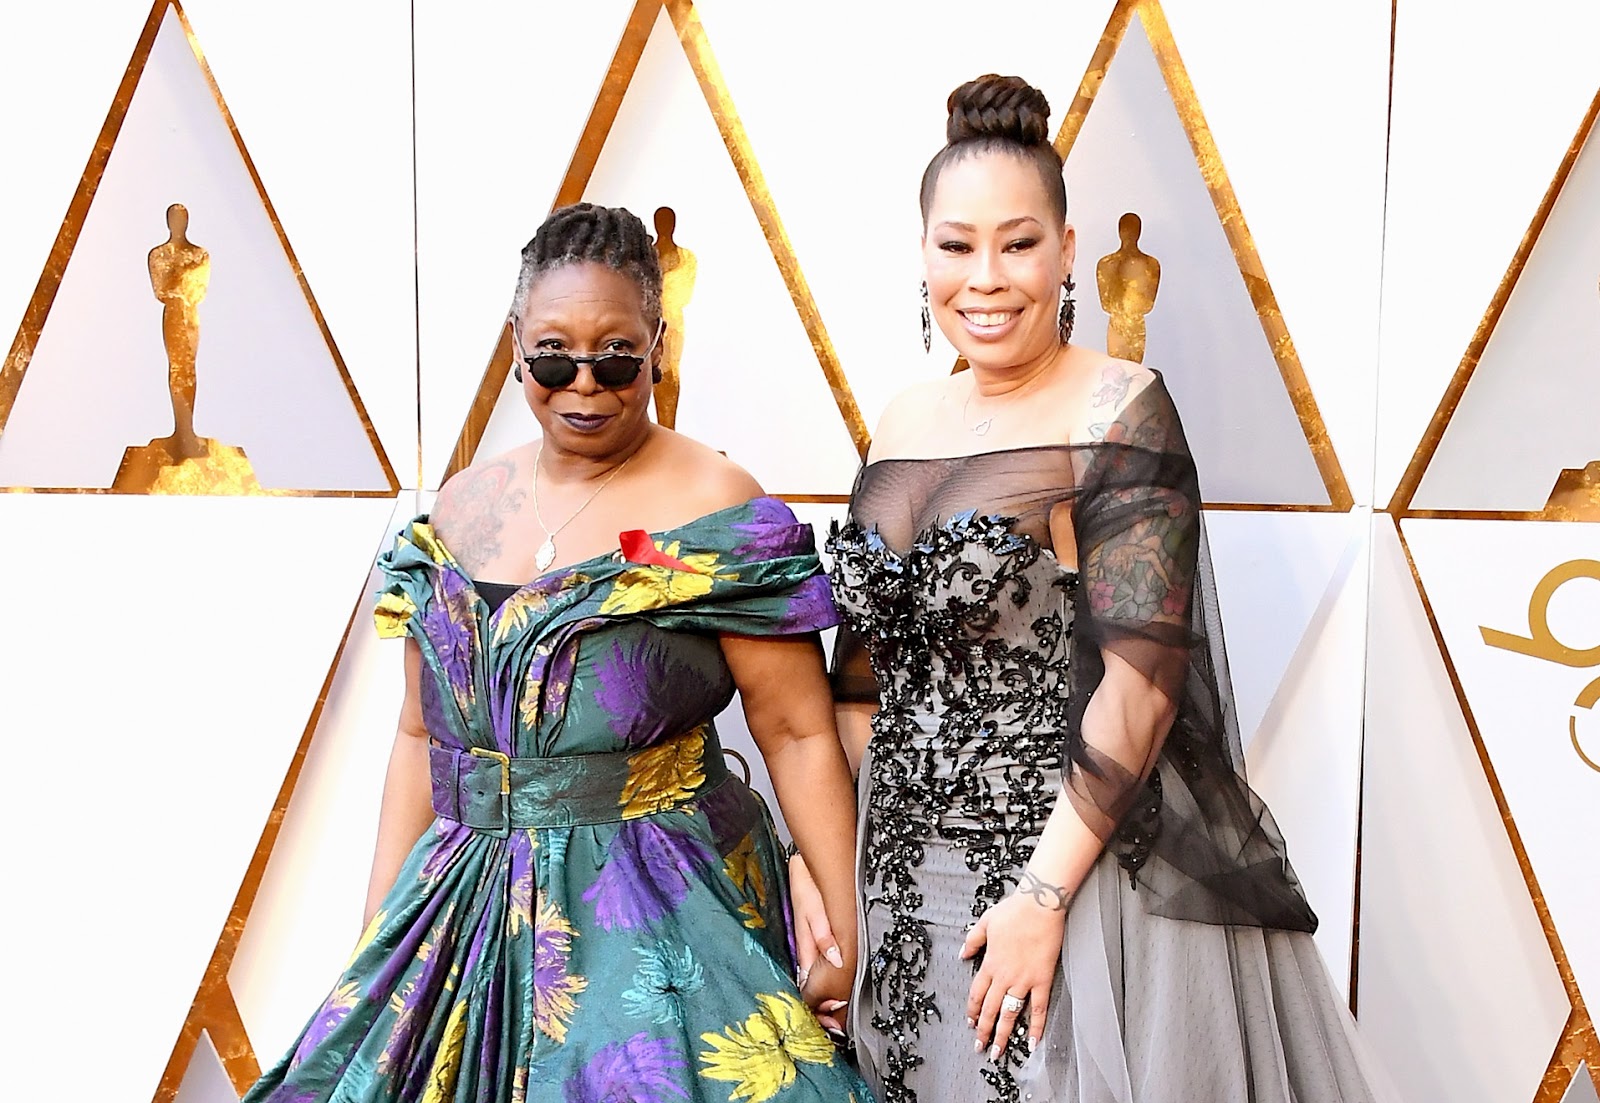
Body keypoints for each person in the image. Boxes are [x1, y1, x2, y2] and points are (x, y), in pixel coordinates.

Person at [798, 75, 1388, 1103]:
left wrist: (1039, 895)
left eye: (1018, 243)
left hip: (1063, 864)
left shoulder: (1119, 408)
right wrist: (844, 875)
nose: (985, 277)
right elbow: (863, 674)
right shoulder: (899, 420)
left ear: (1067, 252)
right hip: (898, 877)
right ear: (923, 253)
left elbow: (1144, 681)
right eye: (956, 245)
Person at [246, 203, 870, 1103]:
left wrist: (850, 940)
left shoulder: (716, 503)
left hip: (653, 912)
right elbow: (422, 738)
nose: (585, 383)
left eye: (617, 355)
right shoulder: (461, 508)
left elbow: (797, 733)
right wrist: (377, 940)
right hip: (461, 915)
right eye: (553, 355)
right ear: (515, 347)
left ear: (658, 342)